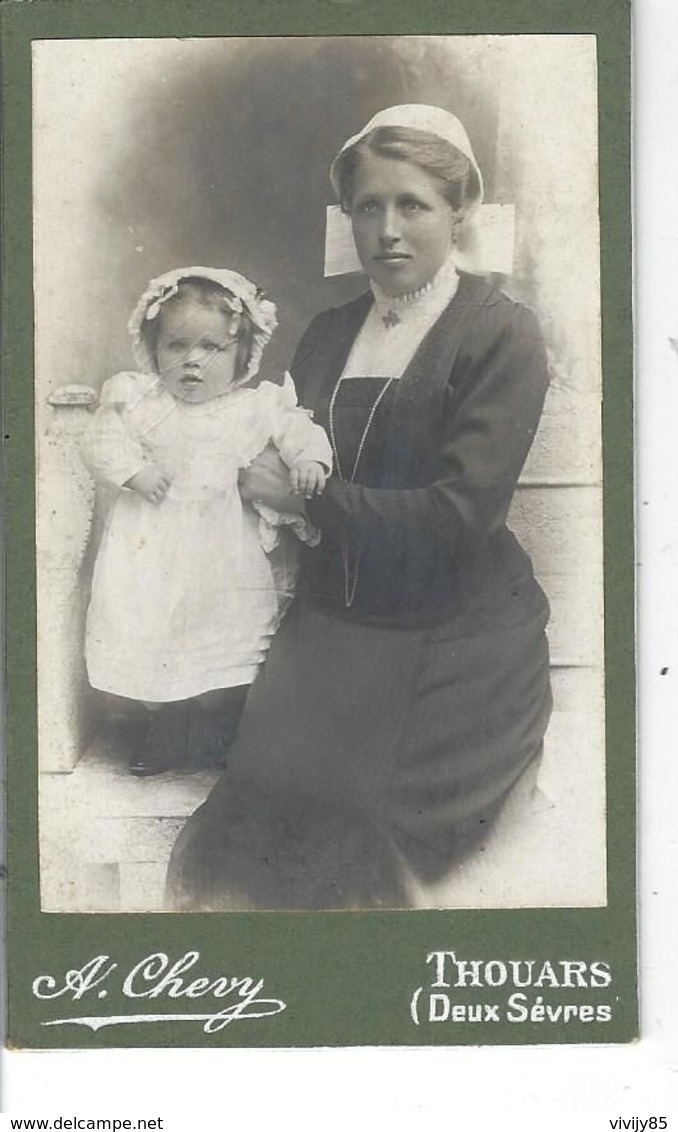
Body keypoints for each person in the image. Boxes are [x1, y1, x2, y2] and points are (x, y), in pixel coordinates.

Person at [166, 105, 553, 910]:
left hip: (461, 633)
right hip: (337, 615)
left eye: (413, 204)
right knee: (253, 817)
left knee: (369, 824)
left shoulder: (498, 331)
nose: (389, 229)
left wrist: (313, 498)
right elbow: (277, 452)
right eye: (368, 207)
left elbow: (460, 517)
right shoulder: (329, 332)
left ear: (459, 212)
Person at [81, 267, 331, 776]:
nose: (193, 360)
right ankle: (165, 729)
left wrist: (311, 461)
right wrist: (135, 471)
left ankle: (221, 733)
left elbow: (297, 431)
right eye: (177, 346)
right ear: (154, 350)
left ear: (243, 355)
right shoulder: (145, 402)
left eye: (212, 348)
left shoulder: (254, 407)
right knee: (158, 639)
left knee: (226, 645)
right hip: (153, 552)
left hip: (223, 555)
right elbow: (100, 439)